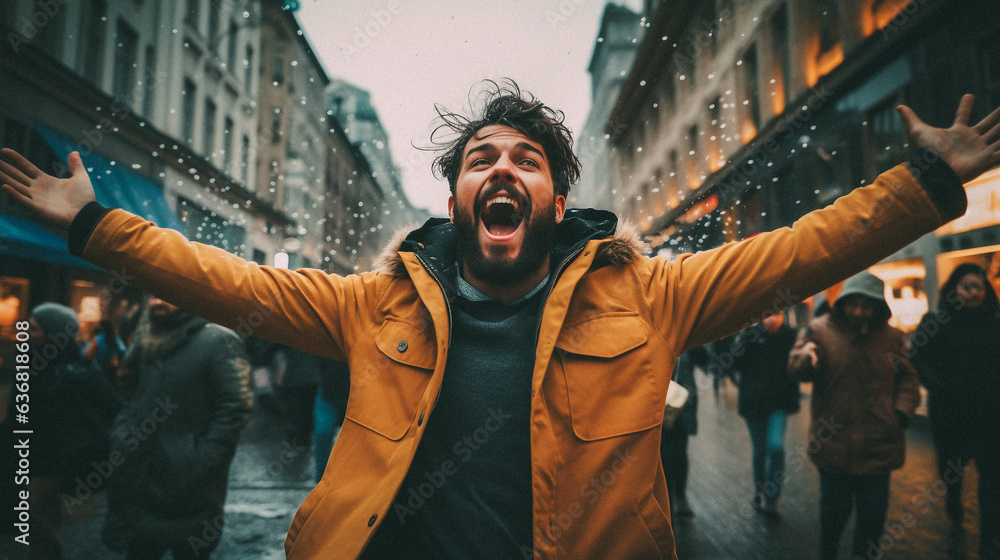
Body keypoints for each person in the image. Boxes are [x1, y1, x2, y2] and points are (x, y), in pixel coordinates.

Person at [0, 81, 997, 559]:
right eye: (482, 157)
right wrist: (92, 223)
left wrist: (919, 185)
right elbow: (231, 282)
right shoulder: (372, 303)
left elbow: (802, 247)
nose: (502, 168)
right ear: (457, 198)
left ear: (555, 199)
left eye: (526, 158)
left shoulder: (651, 294)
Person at [100, 296, 252, 560]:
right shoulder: (146, 335)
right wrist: (121, 435)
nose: (159, 300)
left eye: (169, 294)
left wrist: (201, 460)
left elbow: (235, 406)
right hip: (139, 475)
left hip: (190, 486)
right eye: (154, 294)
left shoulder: (217, 339)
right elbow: (130, 393)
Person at [788, 272, 920, 560]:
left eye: (867, 305)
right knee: (832, 520)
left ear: (877, 307)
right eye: (853, 304)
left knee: (872, 524)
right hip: (834, 448)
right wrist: (804, 357)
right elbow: (796, 370)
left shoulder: (892, 338)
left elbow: (907, 380)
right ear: (843, 302)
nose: (859, 311)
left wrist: (901, 414)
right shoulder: (819, 331)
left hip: (879, 450)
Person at [912, 263, 1000, 559]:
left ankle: (991, 537)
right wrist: (940, 386)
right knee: (952, 469)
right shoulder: (936, 321)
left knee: (992, 475)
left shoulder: (995, 321)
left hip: (990, 414)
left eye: (978, 287)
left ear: (986, 291)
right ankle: (953, 501)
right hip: (950, 413)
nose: (973, 293)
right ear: (954, 290)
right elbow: (919, 358)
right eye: (966, 286)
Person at [22, 302, 121, 560]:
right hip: (40, 462)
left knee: (74, 532)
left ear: (53, 334)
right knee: (36, 518)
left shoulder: (81, 372)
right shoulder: (31, 366)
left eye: (33, 329)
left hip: (76, 467)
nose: (26, 333)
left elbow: (113, 411)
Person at [731, 311, 799, 516]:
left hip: (779, 404)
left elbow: (796, 368)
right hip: (753, 404)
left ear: (782, 316)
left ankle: (772, 496)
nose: (771, 320)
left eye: (776, 314)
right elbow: (735, 364)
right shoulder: (750, 335)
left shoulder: (789, 335)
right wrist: (742, 339)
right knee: (760, 450)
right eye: (766, 315)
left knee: (775, 447)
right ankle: (759, 490)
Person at [660, 347, 704, 523]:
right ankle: (667, 503)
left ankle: (680, 498)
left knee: (680, 455)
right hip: (658, 406)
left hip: (683, 405)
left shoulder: (686, 339)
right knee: (663, 458)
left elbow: (704, 358)